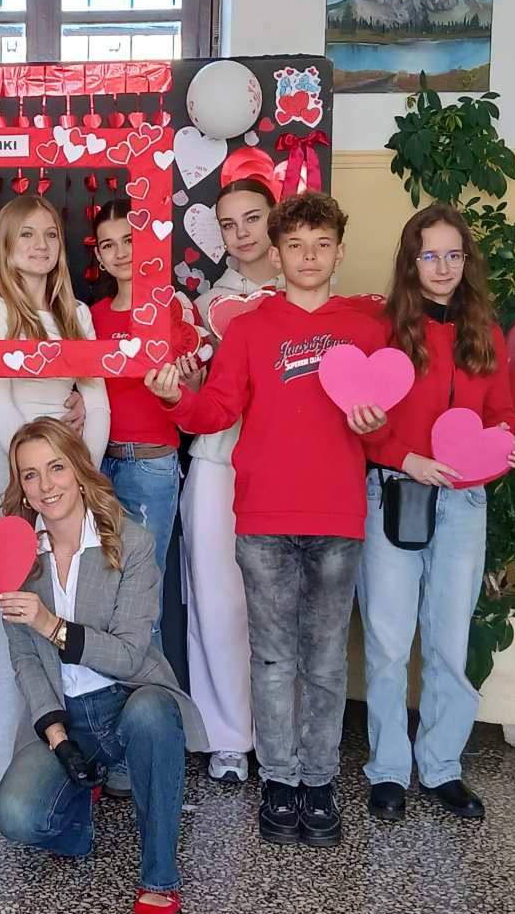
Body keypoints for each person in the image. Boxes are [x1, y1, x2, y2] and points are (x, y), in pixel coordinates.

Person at [145, 191, 388, 849]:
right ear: (276, 256)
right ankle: (279, 781)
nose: (309, 258)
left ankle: (319, 781)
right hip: (262, 516)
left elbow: (385, 427)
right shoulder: (251, 330)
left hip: (337, 514)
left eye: (322, 245)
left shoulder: (367, 330)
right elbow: (216, 411)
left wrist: (375, 424)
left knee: (327, 660)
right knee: (274, 657)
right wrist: (175, 398)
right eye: (296, 246)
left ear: (339, 252)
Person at [0, 418, 204, 914]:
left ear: (80, 470)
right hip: (68, 715)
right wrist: (57, 737)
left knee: (154, 713)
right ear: (21, 486)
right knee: (15, 815)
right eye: (30, 475)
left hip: (129, 698)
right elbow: (25, 659)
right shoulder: (16, 554)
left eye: (56, 468)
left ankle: (159, 877)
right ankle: (75, 824)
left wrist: (51, 624)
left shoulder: (131, 542)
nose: (46, 486)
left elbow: (130, 655)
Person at [357, 205, 515, 824]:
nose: (443, 267)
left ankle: (442, 766)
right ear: (411, 261)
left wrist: (508, 440)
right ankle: (388, 770)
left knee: (449, 642)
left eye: (454, 255)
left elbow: (503, 411)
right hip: (396, 491)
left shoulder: (485, 331)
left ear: (467, 261)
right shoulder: (383, 329)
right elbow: (361, 422)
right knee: (388, 641)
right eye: (430, 255)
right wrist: (406, 457)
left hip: (462, 500)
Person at [0, 195, 109, 809]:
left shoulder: (76, 312)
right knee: (3, 625)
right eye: (26, 234)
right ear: (4, 244)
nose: (41, 245)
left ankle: (58, 774)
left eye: (50, 233)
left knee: (57, 618)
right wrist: (32, 478)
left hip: (64, 481)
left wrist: (78, 480)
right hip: (8, 473)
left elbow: (95, 397)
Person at [183, 177, 277, 784]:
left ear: (275, 218)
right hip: (218, 461)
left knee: (281, 607)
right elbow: (195, 398)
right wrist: (189, 382)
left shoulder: (309, 294)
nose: (240, 233)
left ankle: (278, 738)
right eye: (228, 223)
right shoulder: (202, 307)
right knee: (216, 602)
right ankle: (225, 739)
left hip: (286, 467)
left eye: (252, 218)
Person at [90, 200, 188, 636]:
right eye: (108, 244)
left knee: (144, 595)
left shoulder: (171, 309)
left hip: (151, 465)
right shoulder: (92, 316)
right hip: (97, 463)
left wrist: (188, 380)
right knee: (103, 591)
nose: (120, 252)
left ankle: (151, 680)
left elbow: (193, 392)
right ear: (98, 256)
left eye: (129, 240)